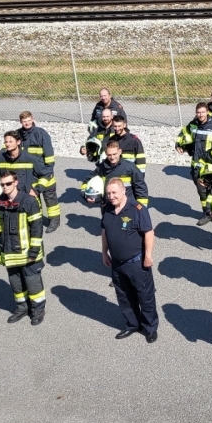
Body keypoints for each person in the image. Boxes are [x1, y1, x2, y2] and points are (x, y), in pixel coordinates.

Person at [0, 170, 46, 325]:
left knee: (33, 282)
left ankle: (38, 310)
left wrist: (34, 251)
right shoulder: (0, 202)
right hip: (9, 252)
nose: (5, 187)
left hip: (28, 252)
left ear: (16, 182)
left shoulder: (29, 201)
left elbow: (37, 227)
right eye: (2, 184)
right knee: (16, 282)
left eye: (8, 183)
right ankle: (22, 308)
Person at [101, 178, 158, 343]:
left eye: (114, 193)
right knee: (124, 296)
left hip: (137, 263)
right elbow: (104, 231)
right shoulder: (107, 209)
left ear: (123, 191)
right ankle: (132, 324)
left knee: (144, 296)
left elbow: (149, 232)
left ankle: (150, 328)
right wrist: (104, 252)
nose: (111, 197)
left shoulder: (137, 209)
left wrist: (148, 256)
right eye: (108, 193)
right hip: (117, 263)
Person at [176, 103, 212, 226]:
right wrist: (179, 145)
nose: (200, 115)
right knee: (202, 191)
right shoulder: (193, 124)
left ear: (207, 112)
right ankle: (207, 213)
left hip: (211, 165)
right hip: (197, 165)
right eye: (198, 112)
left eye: (203, 112)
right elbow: (183, 133)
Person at [17, 111, 61, 233]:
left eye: (28, 120)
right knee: (34, 199)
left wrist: (49, 171)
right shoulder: (18, 135)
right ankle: (37, 221)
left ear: (33, 119)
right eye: (24, 121)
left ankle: (55, 221)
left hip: (44, 172)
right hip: (29, 174)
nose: (26, 123)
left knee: (50, 198)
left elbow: (49, 156)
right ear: (20, 122)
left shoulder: (41, 134)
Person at [0, 131, 50, 201]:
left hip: (28, 200)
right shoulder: (0, 159)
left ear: (18, 142)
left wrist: (36, 190)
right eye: (6, 142)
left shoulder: (30, 158)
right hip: (7, 201)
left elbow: (46, 174)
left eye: (10, 142)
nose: (8, 144)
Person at [83, 141, 149, 207]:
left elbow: (141, 188)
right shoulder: (101, 168)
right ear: (106, 153)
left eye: (114, 154)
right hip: (108, 208)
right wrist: (86, 195)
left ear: (120, 151)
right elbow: (87, 181)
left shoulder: (129, 167)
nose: (112, 157)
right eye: (109, 155)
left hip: (127, 207)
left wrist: (141, 208)